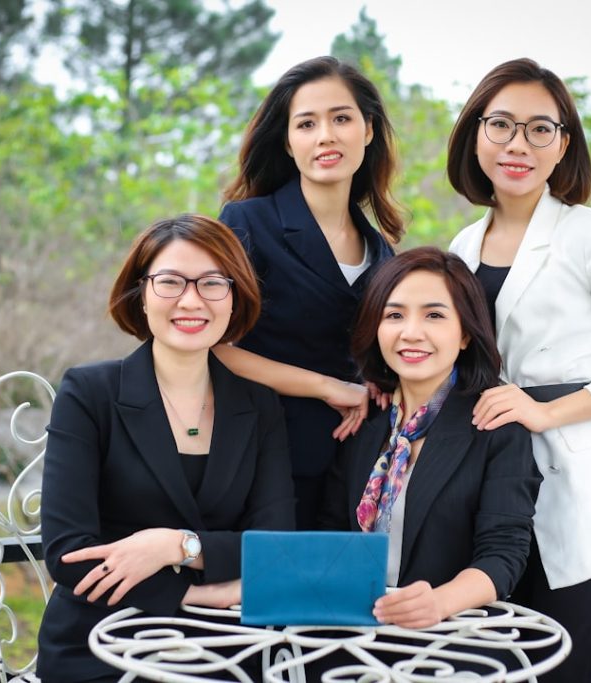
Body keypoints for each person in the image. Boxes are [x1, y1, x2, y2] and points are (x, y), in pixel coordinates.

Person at [446, 58, 591, 682]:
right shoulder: (462, 246)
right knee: (487, 667)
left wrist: (545, 411)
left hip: (575, 491)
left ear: (563, 144)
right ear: (476, 133)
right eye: (501, 124)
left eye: (539, 129)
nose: (517, 144)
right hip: (487, 492)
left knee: (566, 671)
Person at [36, 214, 295, 683]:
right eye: (171, 281)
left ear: (234, 297)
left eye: (212, 283)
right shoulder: (89, 393)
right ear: (141, 293)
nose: (191, 300)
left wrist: (175, 545)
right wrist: (194, 594)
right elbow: (68, 552)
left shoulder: (260, 405)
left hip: (225, 649)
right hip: (103, 641)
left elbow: (274, 547)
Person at [215, 56, 405, 529]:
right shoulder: (247, 222)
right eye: (306, 123)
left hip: (355, 467)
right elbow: (213, 348)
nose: (325, 136)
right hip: (263, 458)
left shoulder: (383, 250)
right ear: (288, 141)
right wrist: (327, 386)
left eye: (341, 118)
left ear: (367, 130)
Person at [320, 247, 541, 633]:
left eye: (434, 315)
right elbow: (331, 532)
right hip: (355, 633)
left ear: (465, 334)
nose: (411, 332)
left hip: (452, 635)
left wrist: (439, 603)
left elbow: (503, 554)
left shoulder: (496, 426)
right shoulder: (365, 424)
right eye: (394, 315)